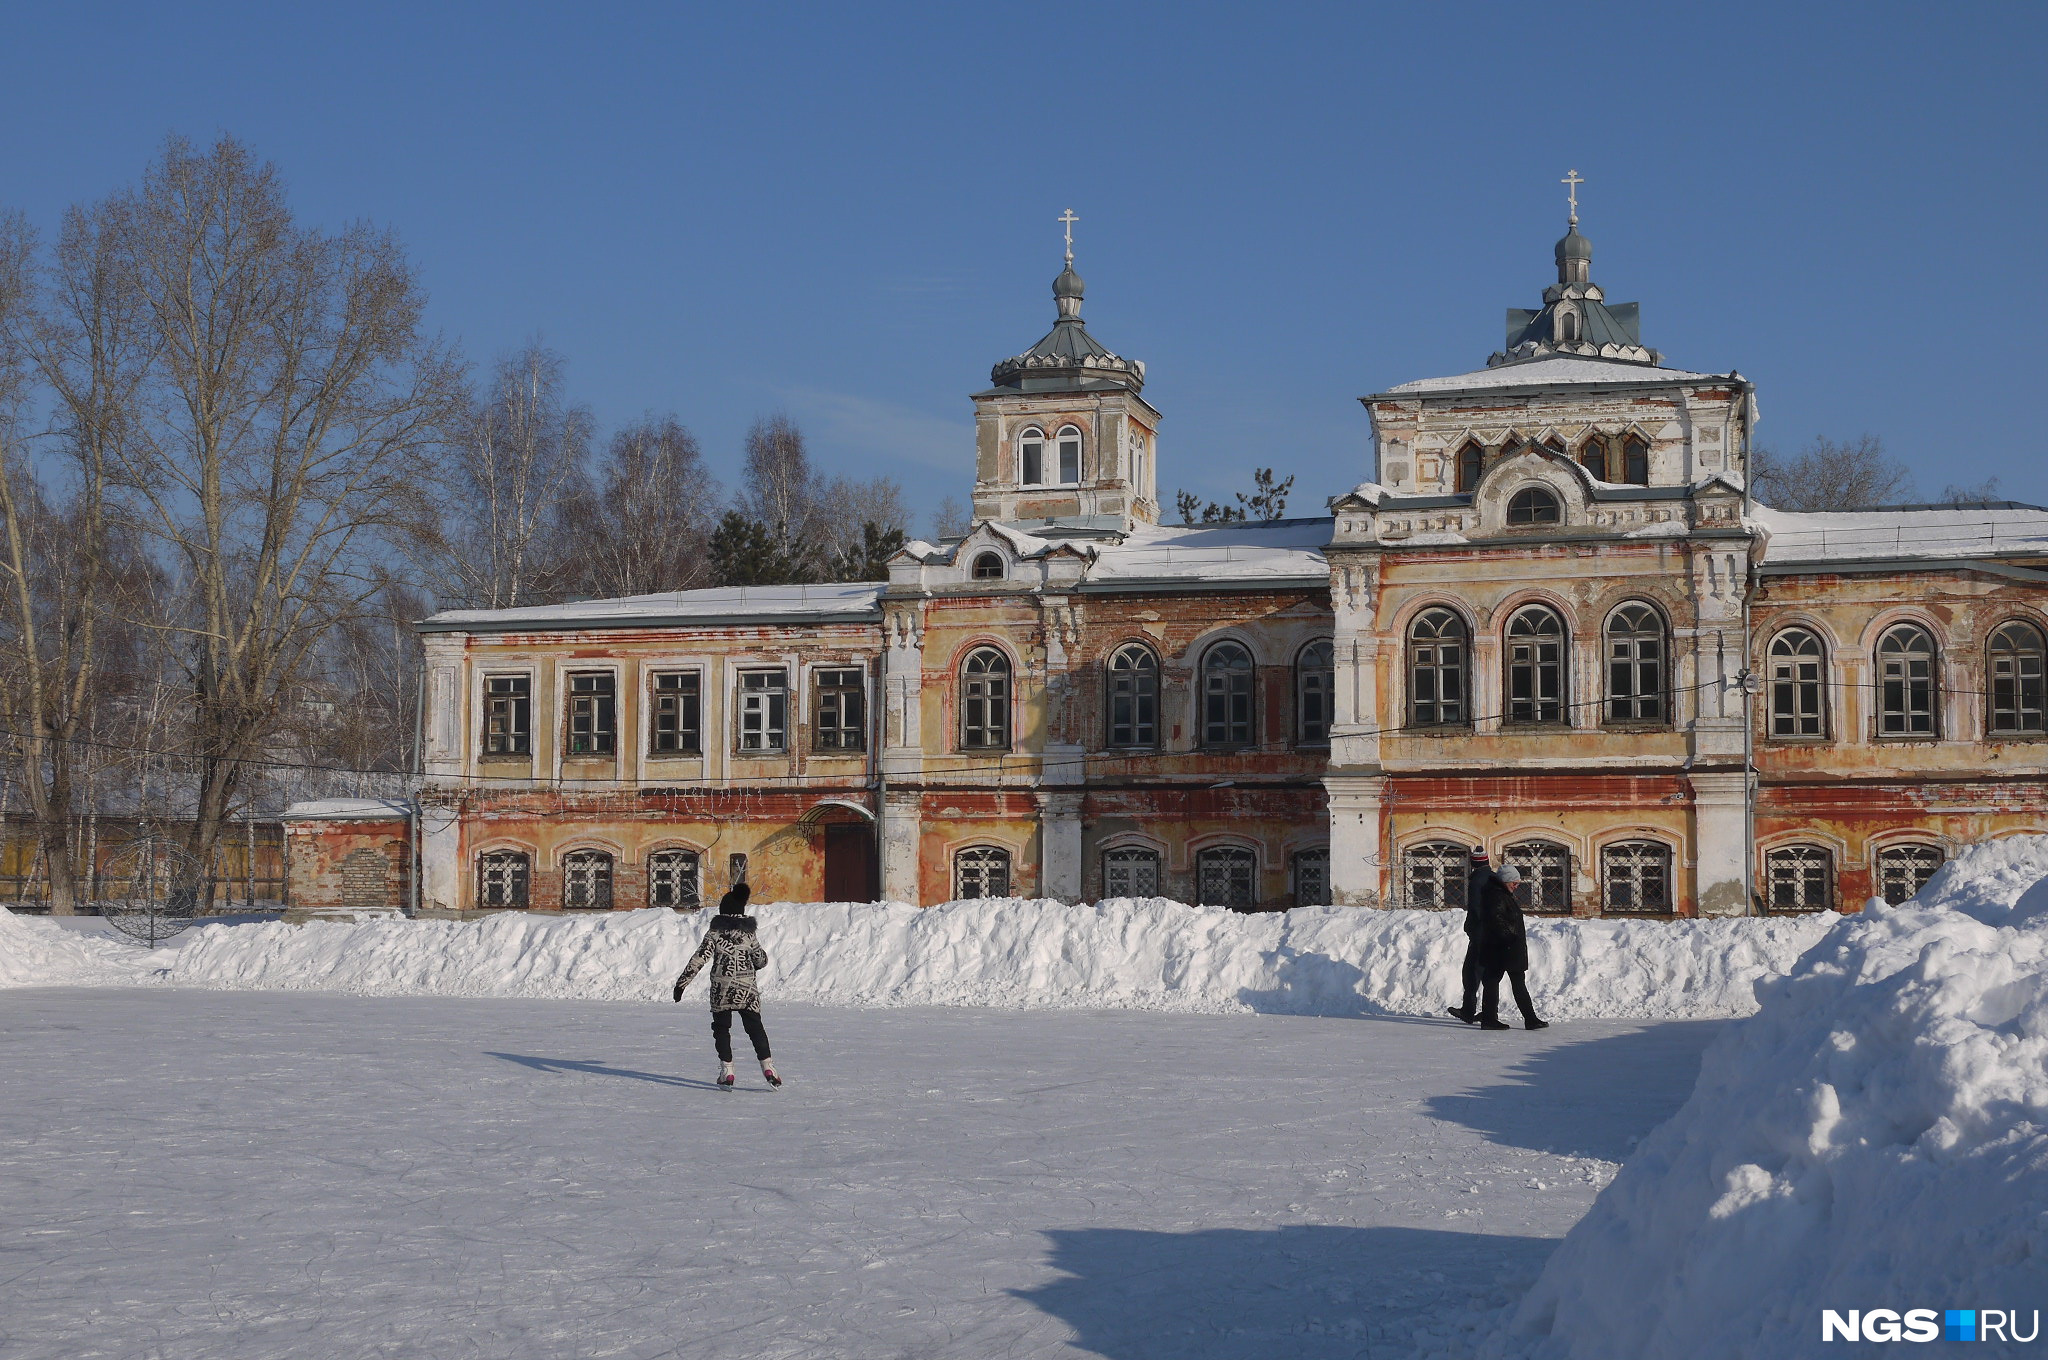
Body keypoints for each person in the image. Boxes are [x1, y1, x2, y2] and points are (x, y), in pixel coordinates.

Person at [672, 882, 781, 1087]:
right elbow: (761, 961)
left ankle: (727, 1072)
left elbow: (699, 959)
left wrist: (681, 984)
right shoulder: (749, 934)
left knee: (721, 1028)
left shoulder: (714, 933)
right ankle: (768, 1068)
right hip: (747, 991)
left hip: (721, 990)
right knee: (755, 1028)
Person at [1477, 864, 1548, 1031]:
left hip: (1505, 948)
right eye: (1514, 883)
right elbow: (1497, 920)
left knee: (1505, 981)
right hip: (1502, 949)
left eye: (1518, 883)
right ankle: (1492, 1019)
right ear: (1505, 881)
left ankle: (1527, 1019)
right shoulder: (1497, 895)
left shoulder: (1501, 894)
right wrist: (1509, 938)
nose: (1516, 886)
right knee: (1496, 981)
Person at [1446, 845, 1497, 1025]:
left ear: (1473, 863)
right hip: (1493, 933)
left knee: (1471, 972)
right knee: (1488, 975)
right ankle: (1489, 1011)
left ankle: (1468, 1011)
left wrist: (1471, 929)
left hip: (1480, 935)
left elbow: (1475, 909)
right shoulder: (1494, 878)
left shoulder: (1477, 881)